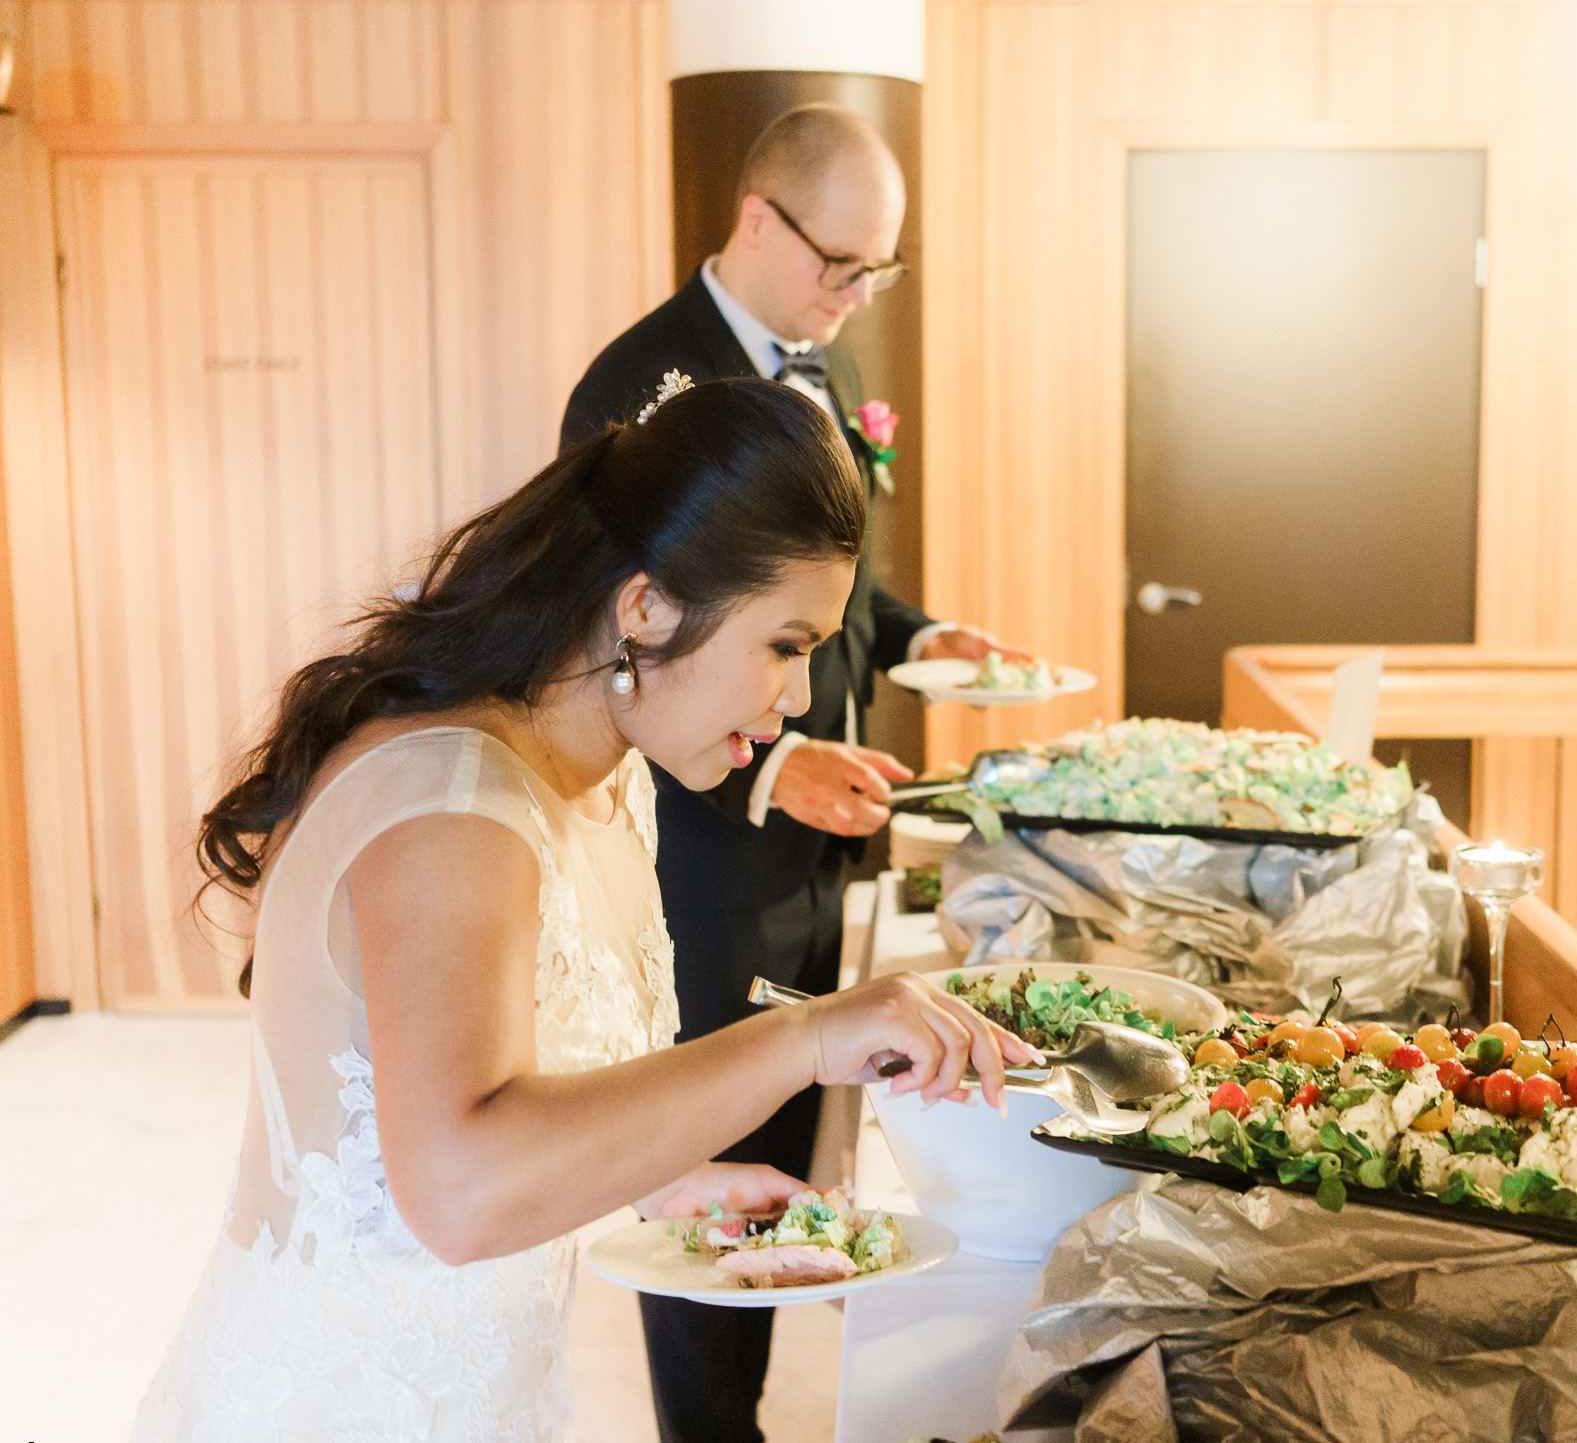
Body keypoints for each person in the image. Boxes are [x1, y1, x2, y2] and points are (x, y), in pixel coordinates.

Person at [130, 377, 1033, 1442]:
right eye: (786, 646)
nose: (796, 700)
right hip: (343, 1402)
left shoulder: (611, 778)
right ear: (645, 606)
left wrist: (667, 1179)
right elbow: (460, 1191)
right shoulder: (454, 807)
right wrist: (805, 1036)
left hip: (491, 1389)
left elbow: (504, 1085)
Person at [560, 105, 1028, 1443]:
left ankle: (754, 1397)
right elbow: (617, 652)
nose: (853, 294)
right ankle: (712, 1425)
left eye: (877, 272)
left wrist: (920, 631)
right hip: (704, 853)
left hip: (818, 845)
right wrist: (770, 775)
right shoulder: (640, 389)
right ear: (757, 218)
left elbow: (834, 591)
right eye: (838, 263)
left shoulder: (823, 361)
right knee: (707, 1166)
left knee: (790, 1155)